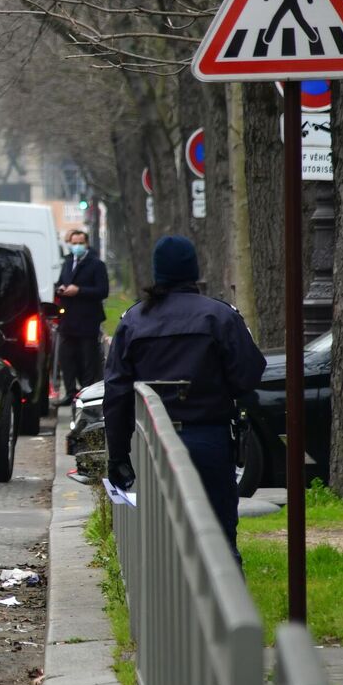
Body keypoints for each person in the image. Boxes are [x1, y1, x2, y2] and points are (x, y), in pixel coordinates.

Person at [102, 236, 265, 555]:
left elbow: (117, 393)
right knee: (219, 532)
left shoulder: (134, 321)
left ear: (157, 273)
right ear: (193, 271)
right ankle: (225, 598)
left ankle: (166, 602)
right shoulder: (219, 316)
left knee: (162, 538)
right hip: (210, 437)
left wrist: (118, 455)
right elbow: (248, 375)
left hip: (154, 444)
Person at [56, 229, 110, 399]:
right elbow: (60, 282)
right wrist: (60, 289)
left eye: (80, 243)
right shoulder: (67, 262)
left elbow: (102, 290)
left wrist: (79, 290)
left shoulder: (96, 265)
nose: (77, 246)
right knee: (67, 358)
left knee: (88, 358)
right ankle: (70, 392)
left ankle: (87, 394)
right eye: (74, 243)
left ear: (86, 244)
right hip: (68, 320)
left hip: (87, 320)